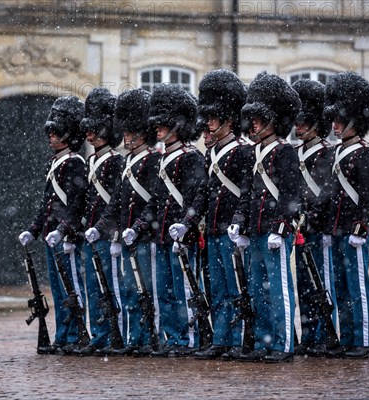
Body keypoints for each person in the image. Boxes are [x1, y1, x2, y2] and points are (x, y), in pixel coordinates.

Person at [168, 69, 251, 360]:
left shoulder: (242, 151)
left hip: (231, 232)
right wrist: (188, 222)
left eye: (212, 121)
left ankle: (239, 340)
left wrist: (239, 224)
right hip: (214, 231)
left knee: (236, 289)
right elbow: (203, 195)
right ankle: (221, 339)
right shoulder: (211, 154)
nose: (208, 126)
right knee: (217, 291)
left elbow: (245, 193)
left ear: (228, 121)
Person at [123, 84, 205, 357]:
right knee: (165, 293)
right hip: (162, 237)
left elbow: (196, 198)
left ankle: (188, 338)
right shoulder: (163, 159)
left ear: (176, 127)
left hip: (182, 237)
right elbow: (155, 202)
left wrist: (186, 224)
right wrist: (137, 227)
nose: (156, 130)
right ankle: (172, 337)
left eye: (162, 125)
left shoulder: (191, 156)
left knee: (183, 292)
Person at [234, 72, 301, 363]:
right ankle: (264, 341)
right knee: (258, 291)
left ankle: (283, 344)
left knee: (279, 290)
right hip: (257, 230)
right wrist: (241, 221)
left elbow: (290, 194)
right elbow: (247, 193)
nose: (254, 124)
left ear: (273, 120)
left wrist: (281, 226)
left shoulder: (285, 152)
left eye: (260, 119)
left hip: (274, 232)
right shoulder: (253, 153)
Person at [93, 88, 162, 356]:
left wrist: (139, 228)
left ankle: (149, 337)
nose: (126, 137)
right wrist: (105, 229)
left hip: (145, 236)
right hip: (127, 235)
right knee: (130, 290)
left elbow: (153, 199)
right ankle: (135, 336)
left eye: (130, 132)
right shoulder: (127, 161)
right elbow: (118, 202)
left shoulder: (154, 159)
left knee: (149, 292)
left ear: (141, 132)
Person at [18, 96, 87, 355]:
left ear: (67, 134)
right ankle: (64, 334)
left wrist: (62, 230)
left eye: (55, 132)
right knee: (58, 291)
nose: (50, 136)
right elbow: (47, 203)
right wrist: (34, 229)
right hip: (52, 237)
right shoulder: (55, 163)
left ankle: (75, 333)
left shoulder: (75, 163)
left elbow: (76, 203)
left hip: (65, 238)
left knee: (71, 289)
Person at [324, 71, 369, 359]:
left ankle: (361, 341)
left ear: (354, 122)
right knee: (341, 289)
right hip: (336, 230)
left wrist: (361, 226)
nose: (334, 126)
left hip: (353, 231)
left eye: (339, 120)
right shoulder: (338, 153)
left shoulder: (365, 154)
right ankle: (347, 338)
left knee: (357, 288)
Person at [291, 79, 337, 357]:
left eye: (303, 122)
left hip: (318, 229)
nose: (298, 127)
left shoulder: (327, 154)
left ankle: (323, 334)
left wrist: (310, 215)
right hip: (301, 229)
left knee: (322, 285)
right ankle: (308, 334)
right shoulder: (296, 152)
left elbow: (324, 193)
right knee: (304, 286)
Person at [77, 88, 124, 356]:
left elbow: (116, 199)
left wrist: (103, 227)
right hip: (91, 233)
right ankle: (99, 333)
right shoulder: (91, 160)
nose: (90, 135)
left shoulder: (115, 161)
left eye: (95, 129)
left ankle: (112, 332)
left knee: (109, 285)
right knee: (92, 287)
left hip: (106, 234)